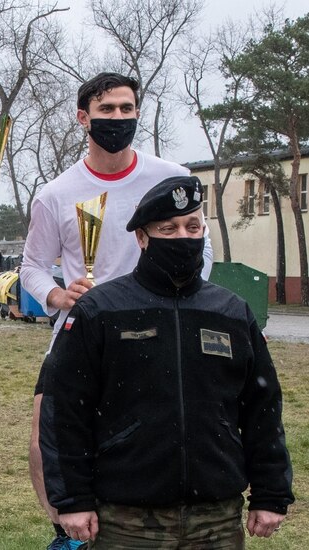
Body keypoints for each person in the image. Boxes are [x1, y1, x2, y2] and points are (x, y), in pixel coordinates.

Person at [39, 176, 294, 548]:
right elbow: (64, 410)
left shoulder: (231, 312)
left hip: (217, 517)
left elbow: (262, 406)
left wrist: (271, 492)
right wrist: (73, 499)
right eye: (168, 229)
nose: (183, 237)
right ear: (142, 238)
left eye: (193, 227)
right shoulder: (101, 311)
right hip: (126, 519)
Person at [19, 72, 213, 550]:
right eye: (107, 110)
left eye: (127, 109)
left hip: (158, 327)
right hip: (81, 328)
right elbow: (31, 268)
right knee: (45, 436)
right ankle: (66, 533)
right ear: (84, 118)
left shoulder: (170, 176)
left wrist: (183, 295)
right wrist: (59, 296)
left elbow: (202, 250)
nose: (118, 118)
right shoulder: (56, 192)